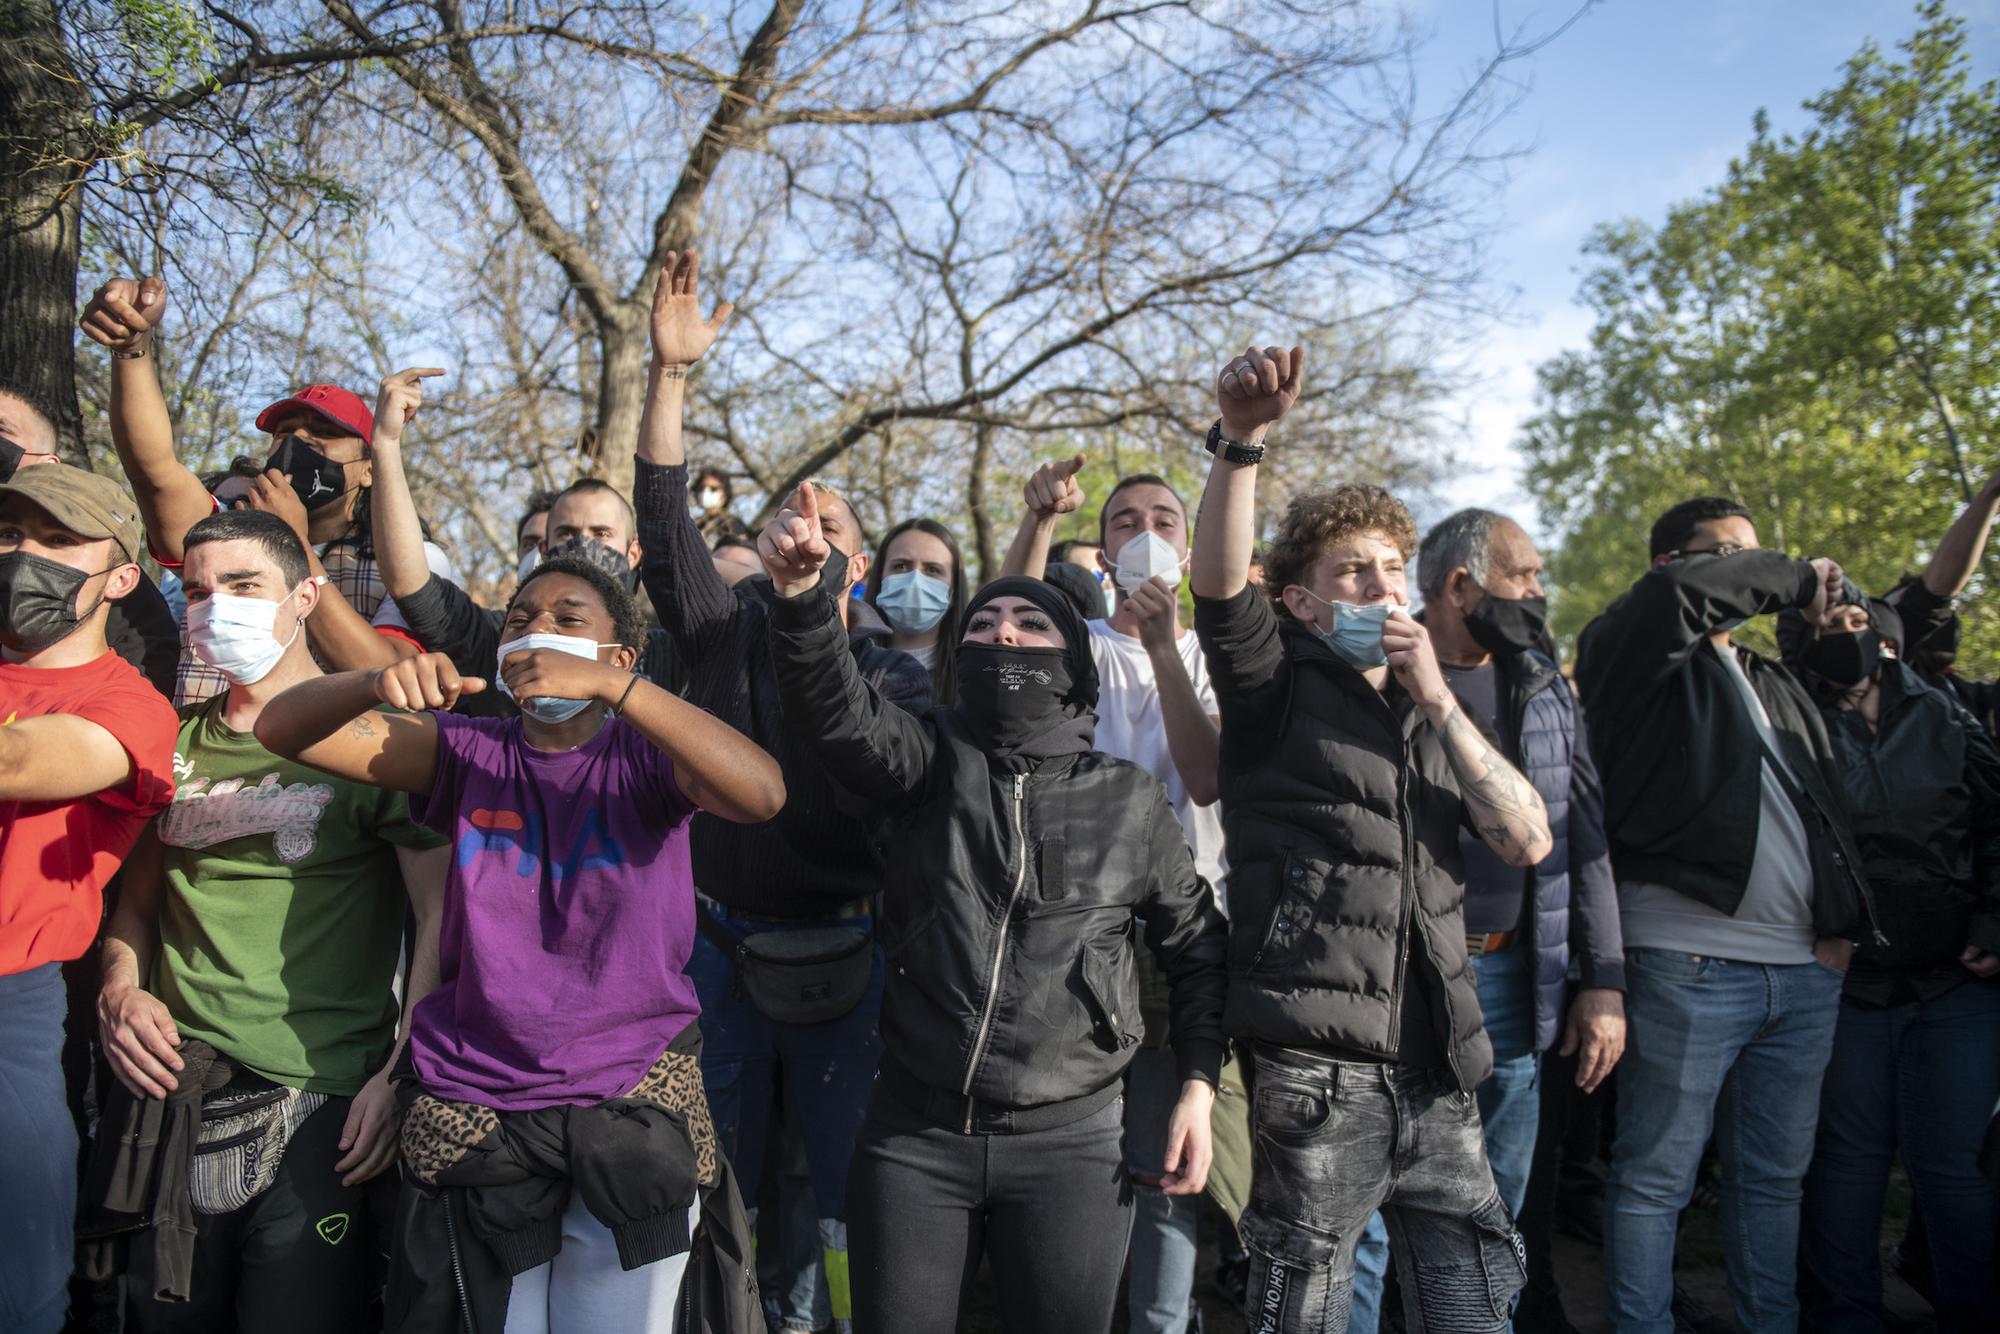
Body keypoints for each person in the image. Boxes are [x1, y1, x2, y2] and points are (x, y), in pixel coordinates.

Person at [253, 555, 785, 1332]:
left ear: (621, 657)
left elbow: (763, 793)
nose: (536, 630)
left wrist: (620, 694)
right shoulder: (467, 752)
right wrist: (373, 683)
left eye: (569, 619)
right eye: (519, 617)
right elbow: (279, 729)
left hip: (627, 1105)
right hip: (479, 1107)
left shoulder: (647, 760)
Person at [757, 484, 1228, 1334]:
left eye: (1032, 624)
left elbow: (1198, 947)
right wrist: (801, 603)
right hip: (912, 1139)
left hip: (1076, 1148)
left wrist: (1197, 1083)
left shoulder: (1128, 801)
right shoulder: (924, 760)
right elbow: (834, 712)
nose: (1003, 633)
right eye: (982, 624)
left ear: (1073, 670)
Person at [1189, 345, 1551, 1333]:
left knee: (1472, 1302)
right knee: (1296, 1305)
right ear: (1301, 601)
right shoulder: (1273, 683)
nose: (1381, 586)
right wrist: (1242, 440)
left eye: (1394, 569)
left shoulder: (1439, 710)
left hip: (1439, 1062)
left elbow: (1524, 838)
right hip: (1315, 1071)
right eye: (1352, 570)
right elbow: (1219, 585)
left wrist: (1436, 696)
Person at [632, 251, 930, 1333]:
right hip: (715, 948)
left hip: (852, 957)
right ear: (762, 549)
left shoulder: (897, 675)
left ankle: (820, 1319)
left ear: (856, 564)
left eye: (835, 529)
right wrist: (667, 379)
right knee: (715, 1169)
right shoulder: (719, 631)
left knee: (843, 1183)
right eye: (791, 524)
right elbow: (664, 526)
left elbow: (882, 767)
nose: (810, 535)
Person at [87, 508, 449, 1331]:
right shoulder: (166, 745)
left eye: (245, 586)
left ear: (305, 597)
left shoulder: (379, 746)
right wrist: (119, 990)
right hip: (171, 1091)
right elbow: (134, 909)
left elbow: (439, 919)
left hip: (325, 1099)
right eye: (200, 590)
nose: (218, 608)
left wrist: (399, 1073)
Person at [1572, 495, 1874, 1334]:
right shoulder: (1629, 647)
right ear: (1673, 565)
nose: (1752, 572)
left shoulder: (1771, 677)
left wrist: (1836, 930)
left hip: (1802, 975)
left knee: (1774, 1180)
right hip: (1687, 962)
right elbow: (1678, 603)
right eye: (1727, 557)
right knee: (1656, 1178)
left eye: (1758, 554)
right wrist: (1794, 573)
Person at [1346, 509, 1627, 1334]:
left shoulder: (1537, 682)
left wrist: (1602, 979)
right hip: (1397, 977)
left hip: (1513, 976)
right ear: (1461, 586)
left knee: (1492, 1206)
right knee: (1378, 1197)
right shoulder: (1372, 674)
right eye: (1525, 575)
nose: (1539, 593)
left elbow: (1583, 832)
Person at [1003, 455, 1225, 1334]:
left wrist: (1167, 644)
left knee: (1167, 1155)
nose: (1144, 536)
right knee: (1084, 1156)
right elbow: (1001, 632)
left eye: (1163, 521)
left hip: (1180, 941)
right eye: (1125, 523)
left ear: (1191, 544)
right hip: (1069, 935)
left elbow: (1205, 779)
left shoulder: (1217, 657)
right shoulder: (1079, 648)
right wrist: (1039, 521)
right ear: (1102, 551)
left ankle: (1164, 1319)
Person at [1778, 591, 2000, 1330]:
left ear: (1885, 638)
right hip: (1846, 986)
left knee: (1952, 1168)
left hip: (1955, 983)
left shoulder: (1942, 713)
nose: (1847, 633)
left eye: (1858, 623)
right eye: (1828, 625)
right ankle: (1843, 1316)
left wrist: (1994, 920)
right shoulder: (1789, 721)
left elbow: (1996, 819)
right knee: (1847, 1165)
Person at [79, 275, 453, 705]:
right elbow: (154, 470)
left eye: (322, 433)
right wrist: (132, 350)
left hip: (330, 767)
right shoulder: (223, 530)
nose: (297, 443)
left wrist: (296, 546)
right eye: (285, 432)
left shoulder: (412, 561)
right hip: (202, 764)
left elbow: (390, 677)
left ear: (368, 470)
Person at [0, 462, 178, 1334]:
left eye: (59, 539)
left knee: (19, 1295)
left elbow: (18, 764)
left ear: (120, 577)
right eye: (10, 533)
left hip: (12, 1012)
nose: (25, 553)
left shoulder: (133, 708)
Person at [363, 368, 677, 712]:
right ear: (544, 549)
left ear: (634, 553)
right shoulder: (499, 634)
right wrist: (386, 445)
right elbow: (409, 580)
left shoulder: (666, 653)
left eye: (601, 534)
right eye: (566, 533)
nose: (582, 545)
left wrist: (669, 373)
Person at [1882, 469, 2000, 733]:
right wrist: (1989, 495)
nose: (1945, 618)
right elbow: (1932, 594)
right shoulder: (1888, 685)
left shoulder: (1969, 695)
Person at [865, 517, 968, 705]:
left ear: (953, 592)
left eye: (932, 570)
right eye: (901, 566)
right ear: (880, 579)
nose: (915, 580)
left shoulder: (971, 678)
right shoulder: (848, 666)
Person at [693, 467, 750, 546]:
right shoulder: (693, 525)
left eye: (713, 489)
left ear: (724, 494)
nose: (705, 492)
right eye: (702, 488)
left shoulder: (732, 523)